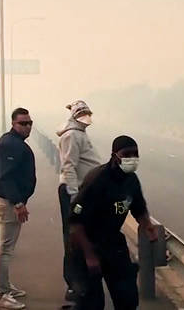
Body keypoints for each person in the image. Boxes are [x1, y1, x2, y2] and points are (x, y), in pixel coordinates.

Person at [68, 135, 158, 310]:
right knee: (91, 303)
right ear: (115, 155)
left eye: (135, 154)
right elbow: (75, 221)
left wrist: (147, 226)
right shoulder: (97, 180)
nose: (132, 158)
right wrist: (90, 255)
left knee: (127, 298)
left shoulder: (131, 180)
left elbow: (139, 208)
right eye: (127, 154)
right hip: (86, 244)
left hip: (113, 242)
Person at [0, 107, 37, 310]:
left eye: (29, 123)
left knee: (7, 247)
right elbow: (6, 177)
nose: (27, 127)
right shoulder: (11, 145)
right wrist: (18, 203)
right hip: (10, 204)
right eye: (22, 123)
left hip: (13, 202)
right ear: (13, 124)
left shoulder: (14, 142)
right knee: (6, 248)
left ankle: (5, 286)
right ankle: (1, 295)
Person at [56, 100, 103, 302]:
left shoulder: (80, 133)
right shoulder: (71, 135)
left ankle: (81, 282)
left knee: (81, 236)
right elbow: (69, 166)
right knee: (73, 238)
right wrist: (75, 195)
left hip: (83, 190)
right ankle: (75, 285)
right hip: (73, 192)